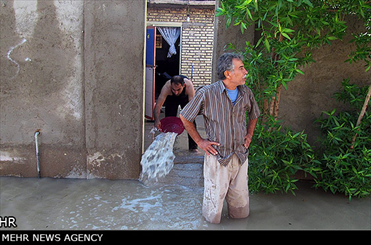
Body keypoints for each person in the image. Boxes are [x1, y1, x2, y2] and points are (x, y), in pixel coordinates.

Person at [179, 53, 260, 223]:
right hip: (217, 157)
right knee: (212, 214)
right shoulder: (207, 93)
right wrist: (200, 141)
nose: (246, 72)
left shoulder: (246, 93)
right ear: (227, 74)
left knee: (241, 210)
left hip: (240, 155)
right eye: (241, 68)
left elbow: (254, 114)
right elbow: (185, 116)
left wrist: (249, 134)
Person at [154, 75, 198, 151]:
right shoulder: (167, 88)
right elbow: (158, 105)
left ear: (183, 85)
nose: (176, 92)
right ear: (171, 86)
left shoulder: (189, 86)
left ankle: (193, 147)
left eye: (178, 90)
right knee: (169, 122)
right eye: (174, 89)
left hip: (185, 99)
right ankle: (169, 146)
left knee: (191, 122)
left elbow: (192, 107)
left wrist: (186, 121)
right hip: (171, 99)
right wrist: (156, 120)